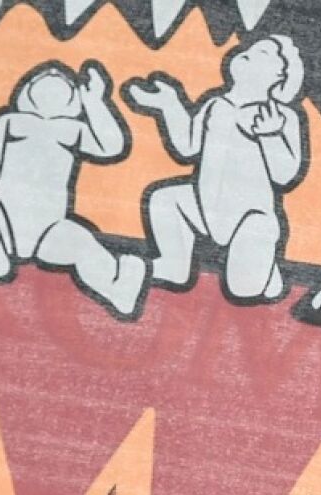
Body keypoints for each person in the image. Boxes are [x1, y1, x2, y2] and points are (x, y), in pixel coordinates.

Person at [0, 60, 147, 319]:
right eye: (43, 79)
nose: (53, 75)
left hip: (49, 230)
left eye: (62, 82)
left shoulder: (72, 129)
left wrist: (95, 101)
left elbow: (111, 146)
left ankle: (117, 286)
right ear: (26, 91)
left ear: (74, 98)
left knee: (82, 242)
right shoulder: (10, 121)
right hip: (0, 219)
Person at [125, 35, 306, 304]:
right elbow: (188, 147)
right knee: (165, 198)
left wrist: (271, 136)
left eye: (264, 54)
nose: (247, 53)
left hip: (250, 217)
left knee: (244, 289)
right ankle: (174, 265)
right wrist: (169, 105)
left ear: (279, 75)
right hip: (204, 207)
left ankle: (268, 275)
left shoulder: (281, 116)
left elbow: (285, 175)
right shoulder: (216, 104)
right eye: (249, 50)